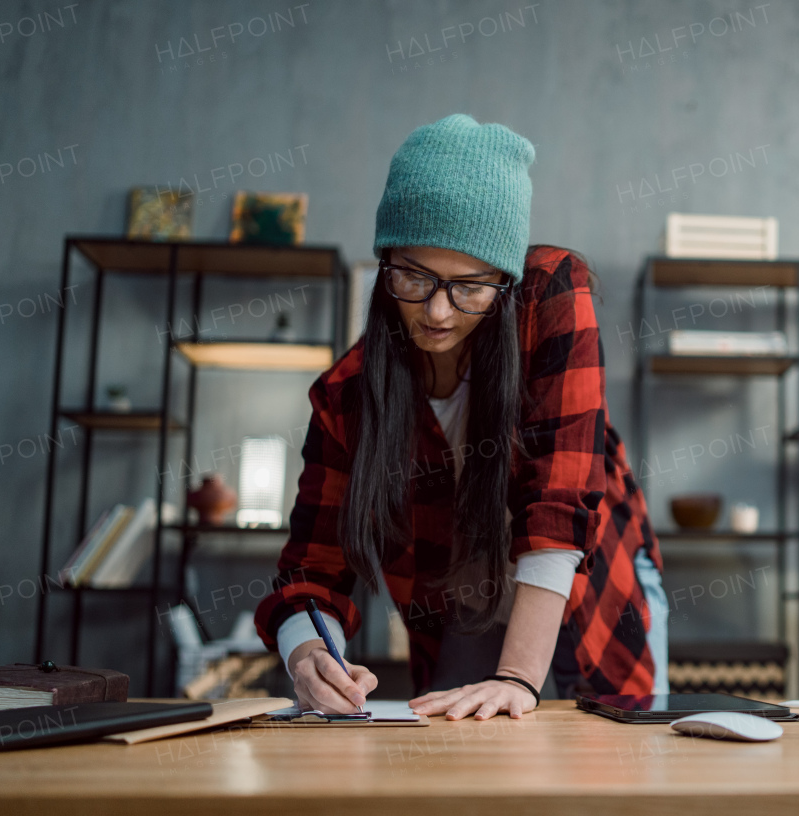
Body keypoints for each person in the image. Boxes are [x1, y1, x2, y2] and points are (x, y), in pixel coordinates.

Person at [253, 113, 667, 721]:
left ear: (504, 280)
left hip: (595, 587)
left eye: (470, 286)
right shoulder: (346, 395)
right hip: (463, 603)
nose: (439, 312)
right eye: (413, 277)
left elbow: (561, 493)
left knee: (616, 767)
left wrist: (520, 678)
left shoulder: (548, 296)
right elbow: (309, 571)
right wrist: (307, 653)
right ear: (384, 265)